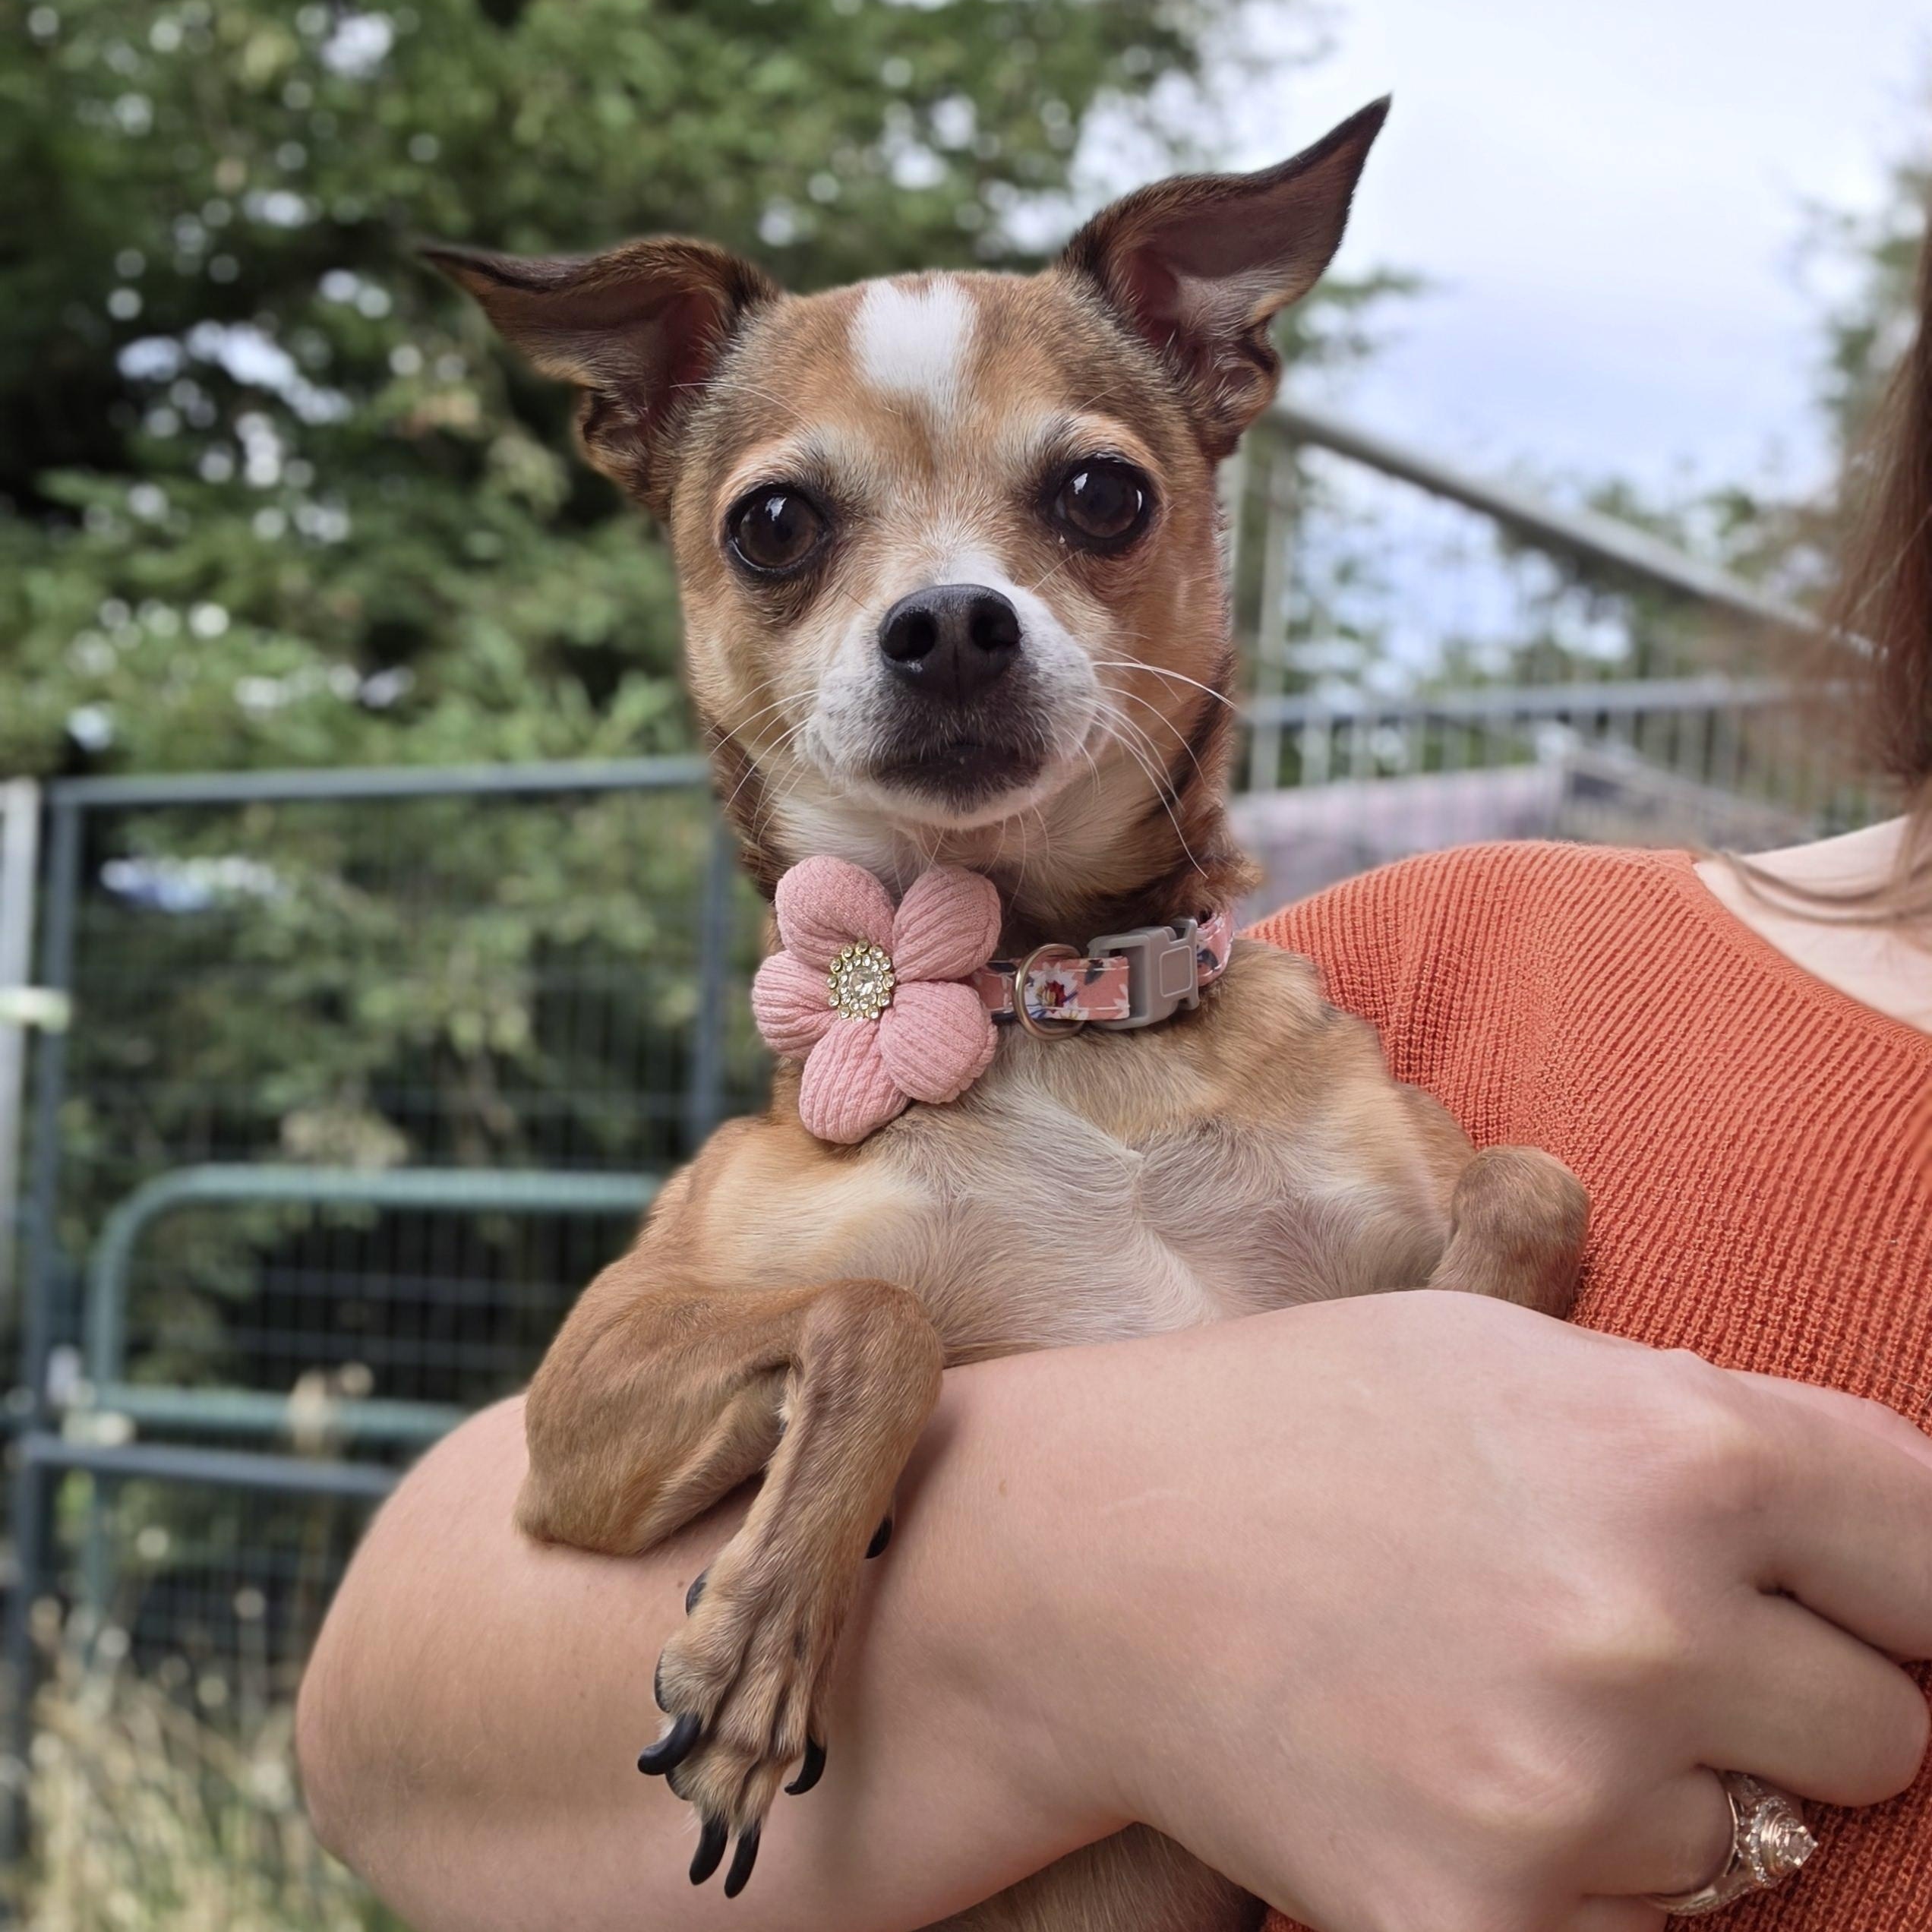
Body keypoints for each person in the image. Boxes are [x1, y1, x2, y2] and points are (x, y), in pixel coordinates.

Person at [293, 229, 1932, 1932]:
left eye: (1087, 502)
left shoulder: (1359, 1058)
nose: (946, 607)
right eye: (788, 530)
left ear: (1212, 405)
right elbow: (467, 1590)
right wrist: (916, 1430)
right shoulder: (1444, 957)